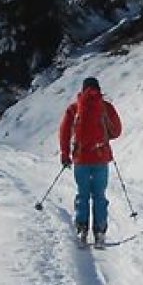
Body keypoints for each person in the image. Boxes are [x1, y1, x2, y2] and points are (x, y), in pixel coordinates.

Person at [58, 75, 122, 247]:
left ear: (83, 89)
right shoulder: (106, 107)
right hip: (101, 157)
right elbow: (117, 131)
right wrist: (104, 135)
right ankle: (100, 232)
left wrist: (65, 154)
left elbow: (64, 132)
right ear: (99, 89)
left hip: (81, 159)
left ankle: (82, 230)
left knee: (83, 194)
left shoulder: (74, 108)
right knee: (99, 195)